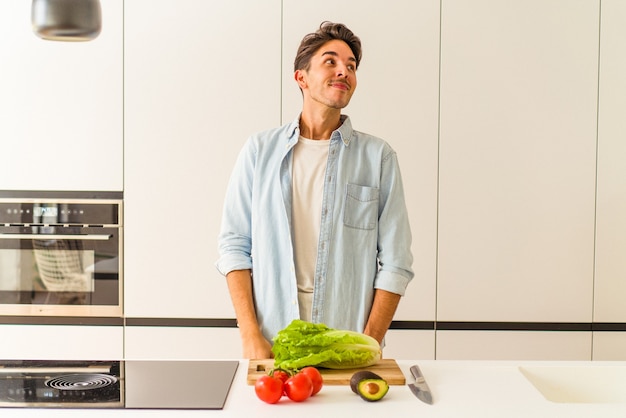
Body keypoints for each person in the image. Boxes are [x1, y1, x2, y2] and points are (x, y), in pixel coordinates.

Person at [216, 21, 413, 359]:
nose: (344, 71)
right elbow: (234, 246)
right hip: (272, 342)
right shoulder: (260, 151)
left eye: (351, 66)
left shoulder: (378, 157)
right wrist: (249, 335)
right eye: (331, 61)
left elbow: (396, 262)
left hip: (346, 343)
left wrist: (367, 343)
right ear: (301, 77)